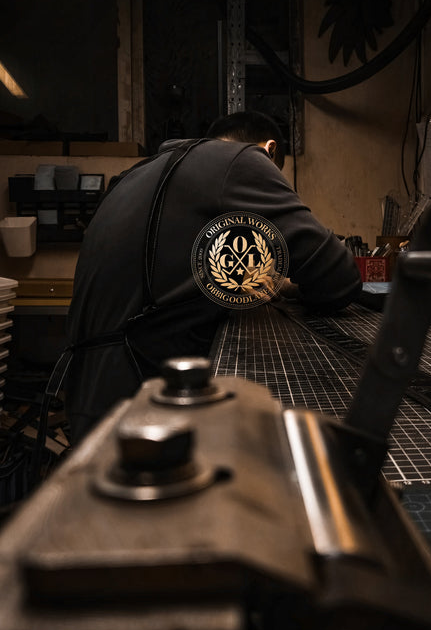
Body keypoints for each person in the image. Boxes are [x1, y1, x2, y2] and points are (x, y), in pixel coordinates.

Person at [65, 110, 361, 444]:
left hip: (90, 390)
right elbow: (340, 278)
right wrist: (292, 287)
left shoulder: (143, 172)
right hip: (137, 394)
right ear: (270, 150)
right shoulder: (242, 160)